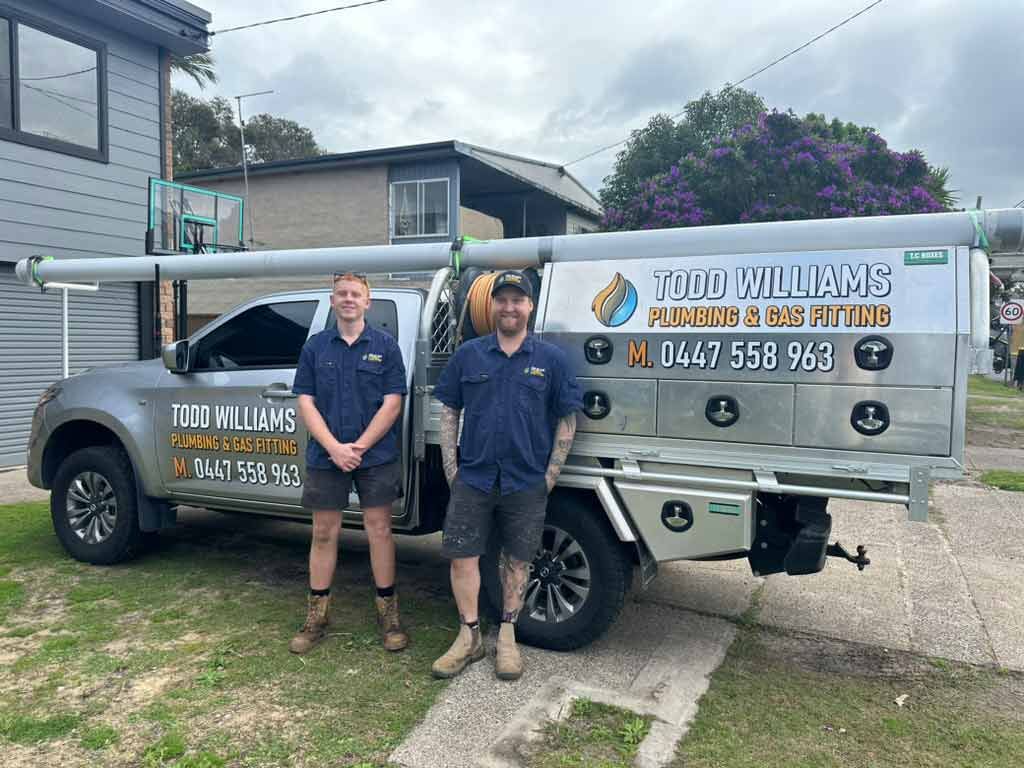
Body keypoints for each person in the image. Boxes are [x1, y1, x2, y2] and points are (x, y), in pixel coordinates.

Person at [430, 270, 583, 681]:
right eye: (503, 300)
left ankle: (508, 636)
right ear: (492, 305)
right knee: (462, 557)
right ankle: (469, 637)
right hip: (474, 477)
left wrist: (550, 474)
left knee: (518, 560)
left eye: (518, 300)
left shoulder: (551, 360)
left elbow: (568, 418)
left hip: (525, 480)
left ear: (530, 307)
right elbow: (449, 410)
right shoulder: (470, 355)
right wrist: (451, 467)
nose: (509, 307)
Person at [289, 272, 408, 654]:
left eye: (356, 294)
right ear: (332, 300)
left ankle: (388, 616)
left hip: (375, 455)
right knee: (323, 532)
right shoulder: (315, 348)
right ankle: (316, 616)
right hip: (326, 455)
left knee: (379, 530)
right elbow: (305, 401)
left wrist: (358, 446)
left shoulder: (386, 347)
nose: (349, 299)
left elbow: (393, 402)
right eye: (342, 293)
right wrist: (334, 448)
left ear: (367, 302)